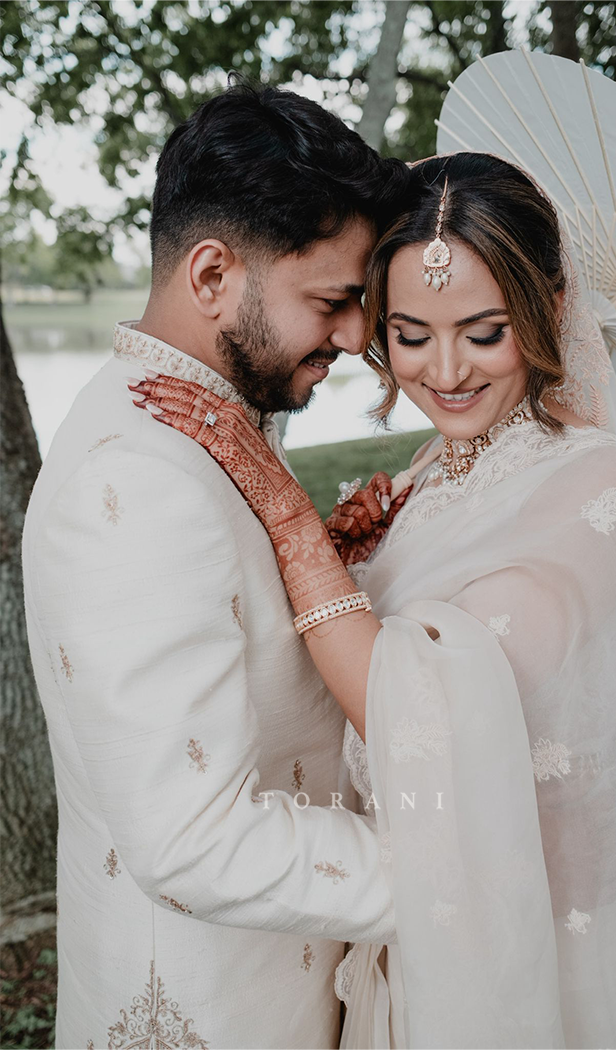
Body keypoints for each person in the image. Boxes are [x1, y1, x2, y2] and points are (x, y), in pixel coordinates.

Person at [135, 151, 616, 1049]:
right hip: (428, 924)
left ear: (550, 311)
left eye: (484, 332)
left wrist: (289, 522)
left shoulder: (602, 488)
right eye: (411, 334)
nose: (445, 373)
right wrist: (367, 559)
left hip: (536, 941)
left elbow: (429, 717)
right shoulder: (440, 465)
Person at [21, 79, 413, 1048]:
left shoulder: (201, 427)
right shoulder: (139, 477)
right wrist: (468, 879)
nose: (358, 338)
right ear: (210, 276)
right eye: (332, 300)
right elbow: (193, 840)